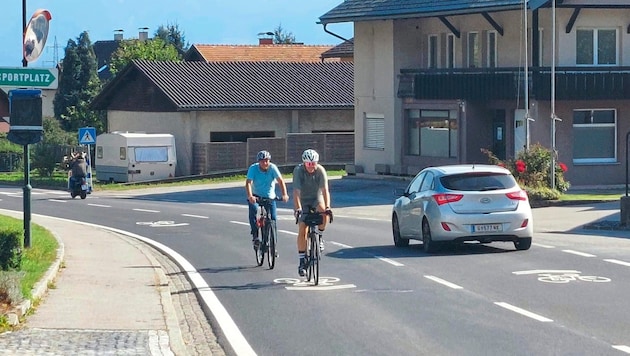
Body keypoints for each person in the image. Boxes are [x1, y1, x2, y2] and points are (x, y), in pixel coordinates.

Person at [292, 148, 332, 277]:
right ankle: (302, 260)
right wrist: (298, 208)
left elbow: (325, 190)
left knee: (324, 213)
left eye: (313, 163)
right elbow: (296, 192)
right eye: (309, 164)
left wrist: (328, 207)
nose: (311, 166)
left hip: (316, 198)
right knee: (303, 227)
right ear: (304, 163)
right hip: (303, 200)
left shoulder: (320, 171)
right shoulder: (298, 171)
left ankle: (319, 236)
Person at [245, 150, 289, 248]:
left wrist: (284, 194)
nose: (265, 163)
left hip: (270, 197)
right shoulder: (253, 168)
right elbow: (248, 183)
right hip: (256, 196)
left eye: (267, 160)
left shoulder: (273, 168)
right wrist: (250, 196)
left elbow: (280, 181)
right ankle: (255, 236)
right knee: (254, 209)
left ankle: (274, 246)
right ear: (258, 162)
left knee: (273, 219)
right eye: (262, 161)